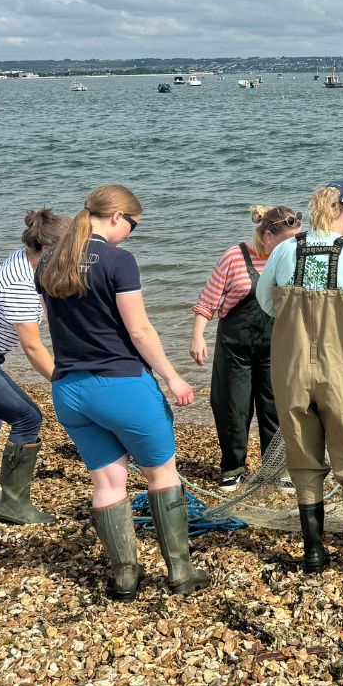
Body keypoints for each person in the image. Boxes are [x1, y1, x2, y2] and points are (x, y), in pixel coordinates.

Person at [36, 184, 207, 600]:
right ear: (116, 217)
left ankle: (125, 578)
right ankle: (180, 573)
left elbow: (58, 325)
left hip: (69, 390)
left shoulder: (48, 260)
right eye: (132, 224)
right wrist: (172, 377)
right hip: (121, 385)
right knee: (161, 474)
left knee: (108, 481)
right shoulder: (118, 261)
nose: (130, 232)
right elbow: (139, 330)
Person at [256, 180, 343, 581]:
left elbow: (264, 301)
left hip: (292, 369)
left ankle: (313, 554)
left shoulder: (284, 249)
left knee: (303, 459)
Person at [190, 205, 302, 490]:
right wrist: (197, 336)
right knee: (233, 407)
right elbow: (208, 301)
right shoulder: (234, 257)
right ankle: (233, 467)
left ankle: (277, 470)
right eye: (288, 239)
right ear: (267, 236)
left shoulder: (292, 259)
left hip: (275, 347)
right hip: (235, 347)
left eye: (297, 239)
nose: (294, 245)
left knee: (275, 408)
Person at [0, 209, 70, 525]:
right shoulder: (20, 282)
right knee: (28, 416)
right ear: (49, 249)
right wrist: (63, 382)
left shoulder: (25, 261)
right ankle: (14, 505)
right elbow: (33, 347)